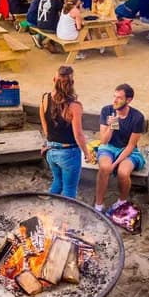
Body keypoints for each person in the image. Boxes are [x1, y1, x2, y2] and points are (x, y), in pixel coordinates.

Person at [39, 66, 93, 198]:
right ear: (72, 83)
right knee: (69, 190)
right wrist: (87, 153)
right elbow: (78, 134)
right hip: (68, 153)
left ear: (53, 80)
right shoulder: (75, 106)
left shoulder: (45, 98)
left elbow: (45, 127)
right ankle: (64, 217)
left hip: (51, 151)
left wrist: (49, 143)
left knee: (57, 183)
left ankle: (49, 209)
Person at [94, 84, 146, 214]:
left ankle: (121, 201)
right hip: (108, 147)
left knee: (123, 172)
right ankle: (99, 204)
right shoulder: (107, 110)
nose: (114, 101)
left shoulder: (137, 117)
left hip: (128, 149)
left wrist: (115, 164)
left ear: (128, 100)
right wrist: (112, 126)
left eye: (119, 98)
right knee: (104, 168)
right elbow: (104, 141)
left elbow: (130, 146)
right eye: (114, 96)